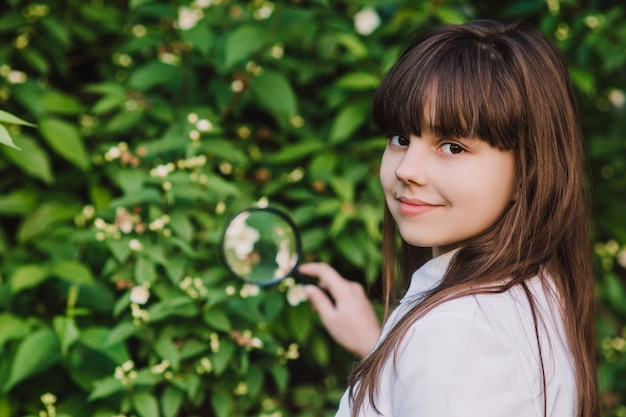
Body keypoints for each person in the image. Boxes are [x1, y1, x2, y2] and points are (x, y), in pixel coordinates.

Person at [300, 19, 599, 417]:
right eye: (401, 138)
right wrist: (378, 345)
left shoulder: (460, 333)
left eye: (453, 146)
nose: (408, 169)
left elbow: (459, 367)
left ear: (528, 169)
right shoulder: (533, 282)